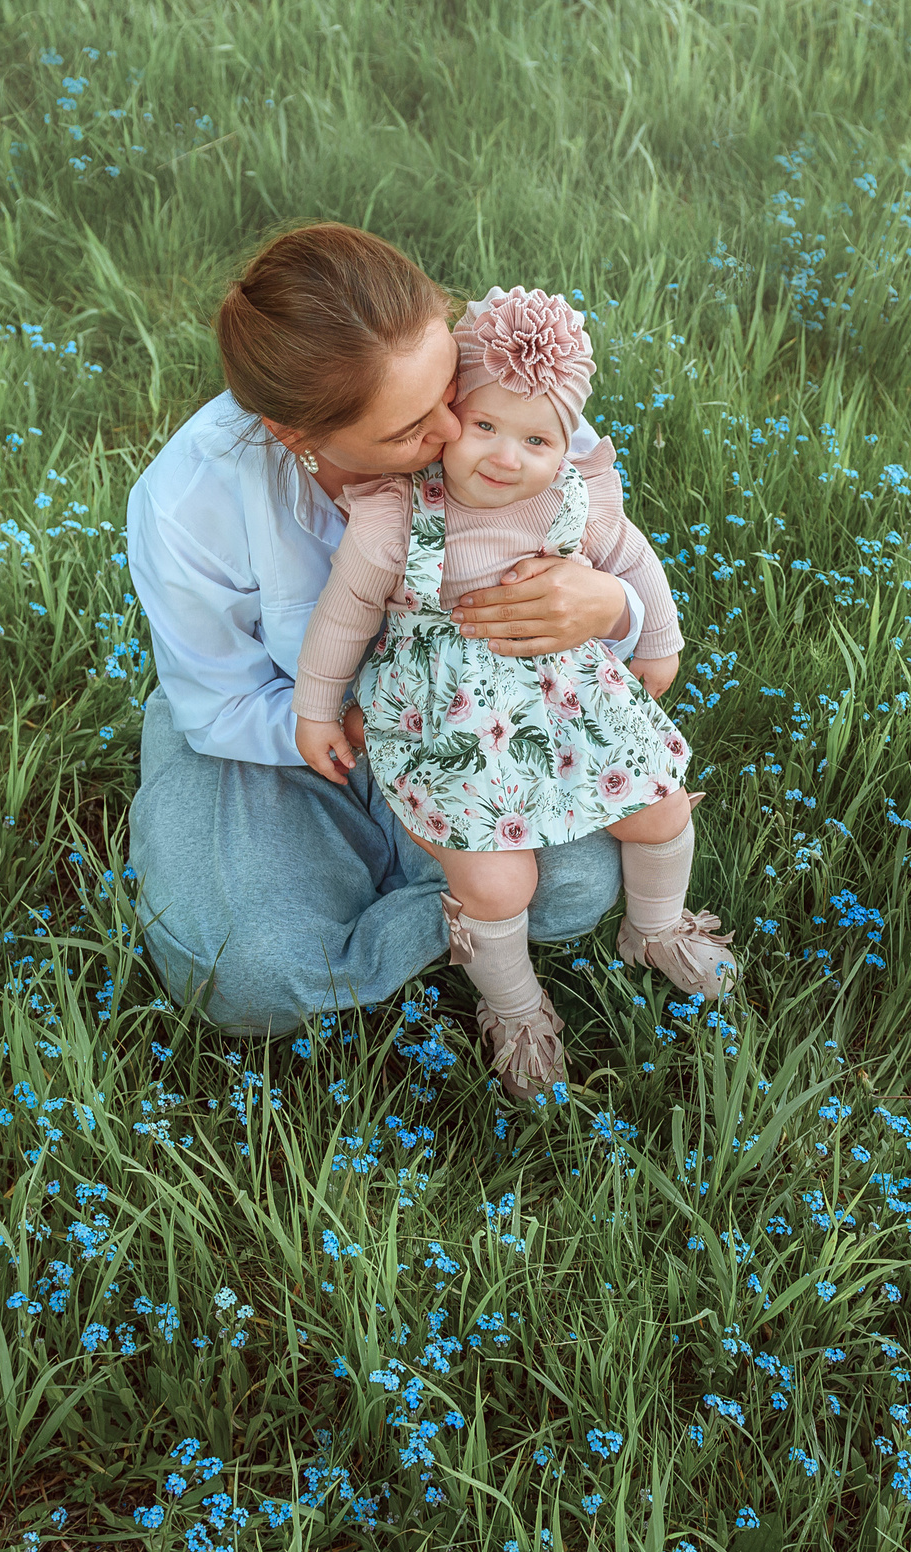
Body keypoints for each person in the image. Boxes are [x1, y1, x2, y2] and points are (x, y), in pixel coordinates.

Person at [122, 223, 668, 1048]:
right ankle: (454, 919)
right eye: (411, 429)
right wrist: (366, 726)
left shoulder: (492, 385)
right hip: (296, 734)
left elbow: (609, 545)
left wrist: (609, 610)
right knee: (244, 973)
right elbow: (221, 703)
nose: (455, 436)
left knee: (577, 887)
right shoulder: (186, 502)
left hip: (484, 707)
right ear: (293, 435)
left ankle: (462, 912)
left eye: (448, 394)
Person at [291, 286, 737, 1096]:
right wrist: (317, 703)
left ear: (567, 442)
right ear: (452, 409)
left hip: (562, 696)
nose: (504, 456)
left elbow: (635, 562)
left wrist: (658, 637)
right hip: (446, 715)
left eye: (536, 437)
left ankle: (657, 927)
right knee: (501, 882)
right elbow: (345, 612)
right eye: (486, 426)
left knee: (663, 806)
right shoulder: (396, 512)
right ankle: (517, 1009)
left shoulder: (572, 494)